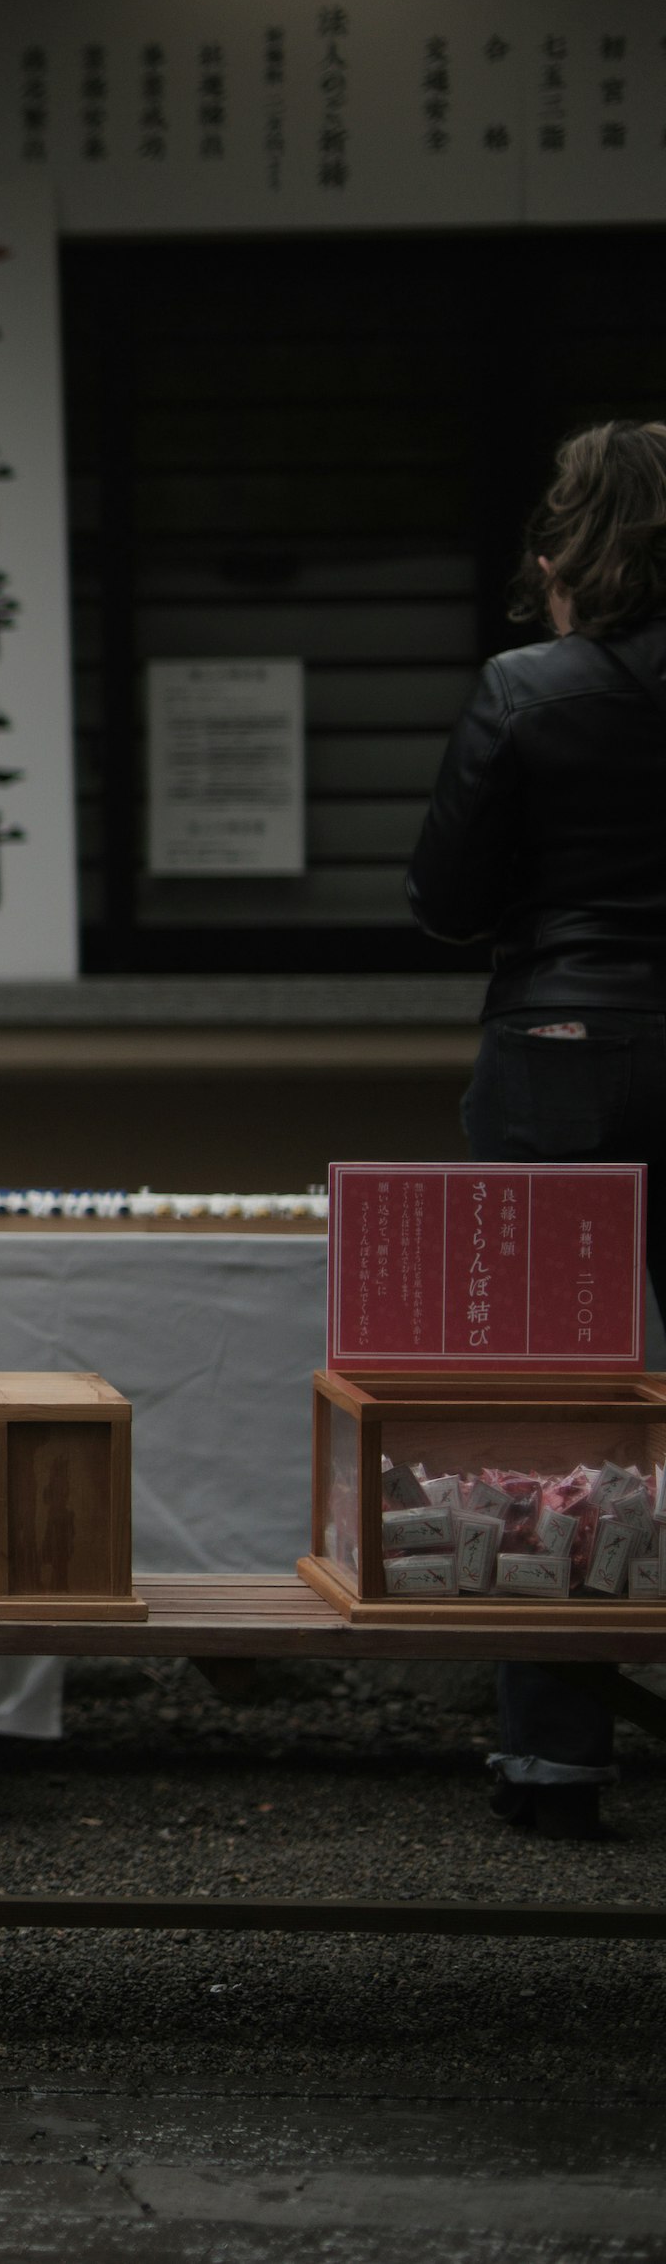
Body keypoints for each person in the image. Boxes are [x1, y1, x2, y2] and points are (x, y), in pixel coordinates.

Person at [403, 418, 666, 1840]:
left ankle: (555, 1758)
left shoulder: (528, 689)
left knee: (551, 1410)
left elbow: (444, 897)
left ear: (569, 544)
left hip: (557, 1053)